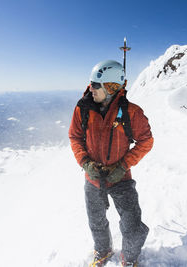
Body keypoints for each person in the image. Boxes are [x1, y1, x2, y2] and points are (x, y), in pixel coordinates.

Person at [69, 60, 154, 267]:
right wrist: (85, 162)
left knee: (132, 225)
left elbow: (146, 140)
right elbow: (75, 137)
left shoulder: (131, 113)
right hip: (93, 178)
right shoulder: (84, 108)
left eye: (96, 85)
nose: (91, 88)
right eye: (91, 83)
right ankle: (104, 250)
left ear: (111, 87)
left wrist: (123, 166)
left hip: (121, 178)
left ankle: (129, 258)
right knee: (96, 221)